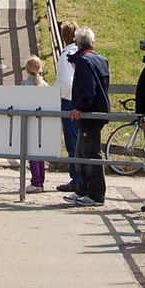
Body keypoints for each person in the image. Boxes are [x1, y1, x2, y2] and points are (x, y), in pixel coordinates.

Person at [65, 27, 110, 207]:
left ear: (77, 43)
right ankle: (83, 190)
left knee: (90, 153)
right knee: (81, 152)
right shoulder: (100, 59)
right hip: (98, 110)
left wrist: (80, 107)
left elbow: (88, 88)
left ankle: (96, 194)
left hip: (89, 113)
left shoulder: (84, 61)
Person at [54, 21, 80, 194]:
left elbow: (65, 83)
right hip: (78, 100)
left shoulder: (66, 55)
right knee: (79, 141)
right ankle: (80, 177)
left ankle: (76, 179)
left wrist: (58, 95)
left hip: (69, 101)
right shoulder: (80, 52)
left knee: (72, 141)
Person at [20, 56, 48, 190]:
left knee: (31, 152)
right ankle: (41, 179)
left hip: (30, 120)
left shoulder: (25, 85)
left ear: (27, 69)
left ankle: (36, 181)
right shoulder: (44, 85)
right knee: (40, 152)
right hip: (43, 121)